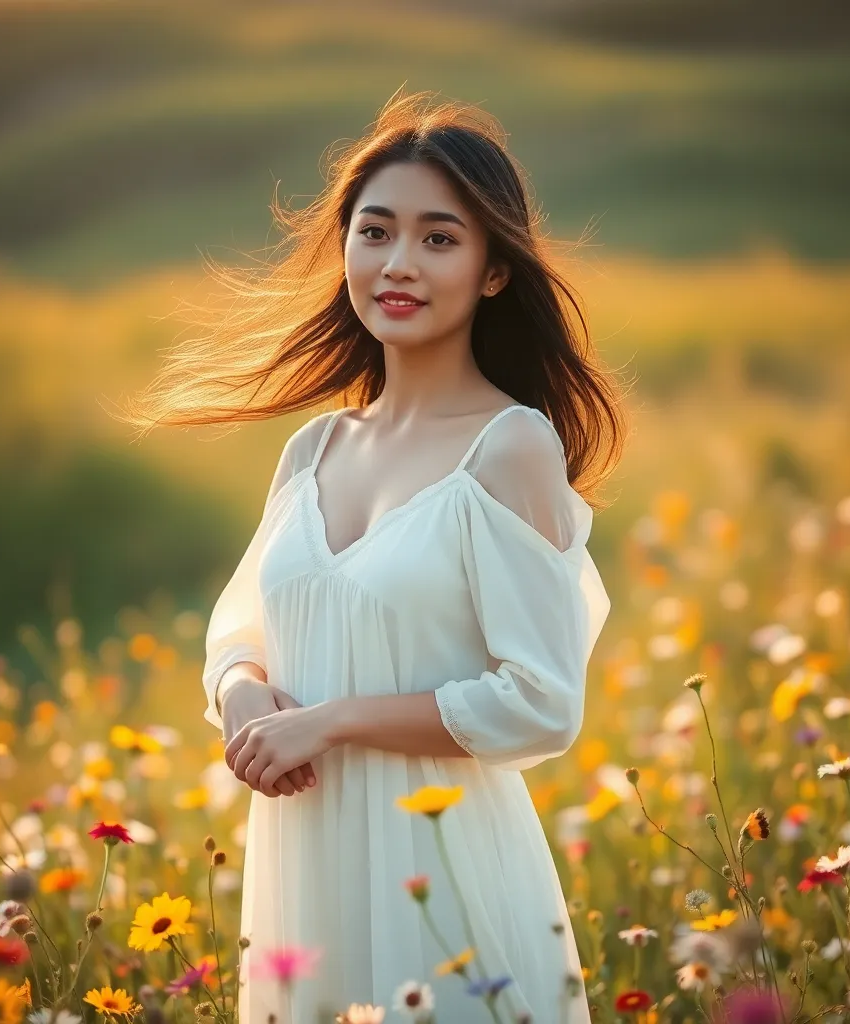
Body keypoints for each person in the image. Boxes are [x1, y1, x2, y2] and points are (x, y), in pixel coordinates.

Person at [123, 87, 628, 1022]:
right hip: (304, 868)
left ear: (492, 271)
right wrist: (242, 694)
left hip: (439, 875)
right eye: (376, 231)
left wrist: (332, 721)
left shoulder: (510, 447)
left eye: (439, 238)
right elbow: (241, 632)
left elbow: (542, 700)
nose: (398, 263)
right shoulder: (315, 448)